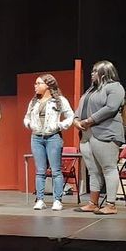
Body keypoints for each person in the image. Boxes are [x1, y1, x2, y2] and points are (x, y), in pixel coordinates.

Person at [73, 60, 125, 215]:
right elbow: (79, 109)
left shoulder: (115, 87)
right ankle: (93, 203)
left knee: (109, 168)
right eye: (92, 71)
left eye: (95, 71)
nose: (92, 74)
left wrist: (89, 120)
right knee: (93, 170)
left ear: (105, 73)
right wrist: (76, 121)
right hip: (87, 134)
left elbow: (111, 108)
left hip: (106, 132)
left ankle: (111, 204)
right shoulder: (91, 90)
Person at [23, 74, 74, 211]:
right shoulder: (34, 101)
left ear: (47, 85)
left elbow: (70, 116)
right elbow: (27, 117)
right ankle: (40, 200)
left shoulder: (59, 100)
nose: (35, 86)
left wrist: (60, 125)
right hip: (37, 138)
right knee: (40, 171)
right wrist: (29, 124)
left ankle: (57, 200)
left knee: (56, 170)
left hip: (53, 137)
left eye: (38, 83)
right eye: (35, 83)